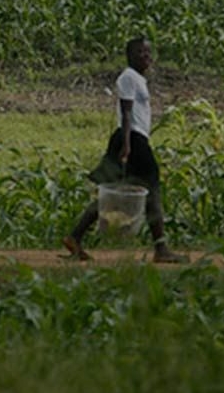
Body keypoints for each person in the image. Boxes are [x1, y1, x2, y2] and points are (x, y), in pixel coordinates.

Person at [62, 36, 187, 264]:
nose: (146, 57)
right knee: (153, 189)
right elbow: (127, 111)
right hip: (133, 139)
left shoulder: (137, 78)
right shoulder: (129, 77)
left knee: (112, 191)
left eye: (148, 52)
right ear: (129, 56)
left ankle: (75, 236)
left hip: (128, 138)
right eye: (140, 52)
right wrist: (128, 145)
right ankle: (161, 249)